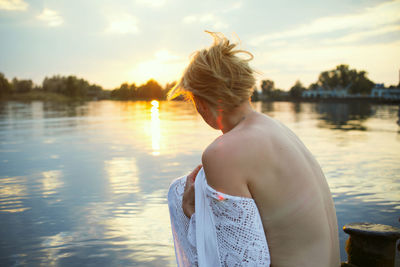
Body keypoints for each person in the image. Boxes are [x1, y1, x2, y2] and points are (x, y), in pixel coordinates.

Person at [167, 31, 340, 267]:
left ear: (202, 102)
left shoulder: (223, 152)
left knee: (179, 193)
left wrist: (191, 212)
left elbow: (237, 263)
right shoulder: (279, 131)